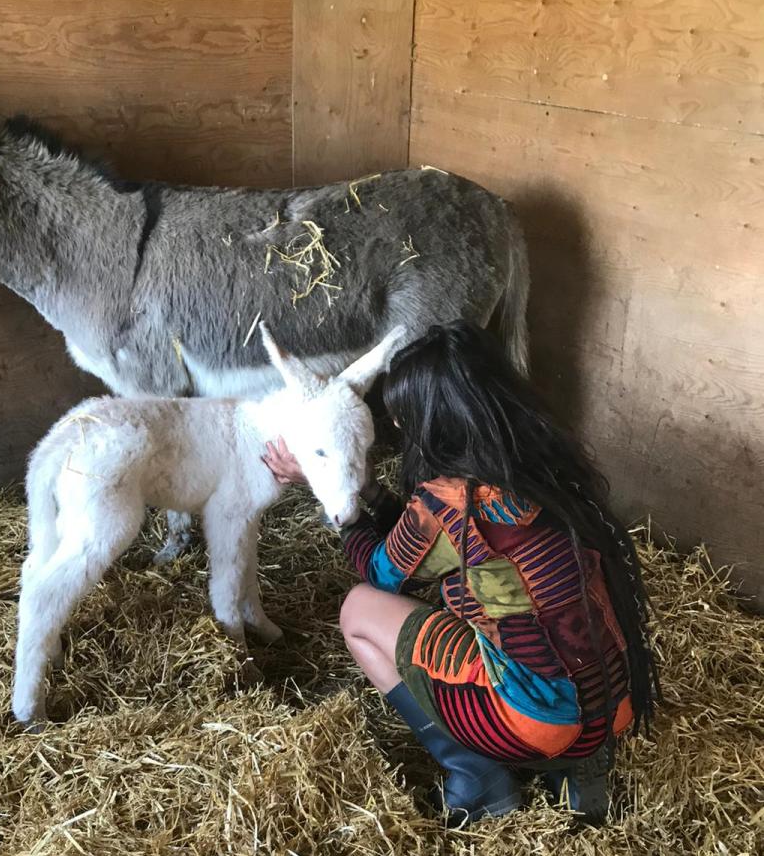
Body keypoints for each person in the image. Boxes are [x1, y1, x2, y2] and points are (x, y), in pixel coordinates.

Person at [264, 321, 661, 826]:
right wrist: (365, 488)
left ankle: (477, 775)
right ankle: (579, 768)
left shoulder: (456, 499)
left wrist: (333, 496)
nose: (402, 430)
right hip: (614, 704)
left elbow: (383, 570)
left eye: (406, 418)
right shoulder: (545, 465)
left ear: (433, 420)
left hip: (535, 722)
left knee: (359, 608)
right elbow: (422, 545)